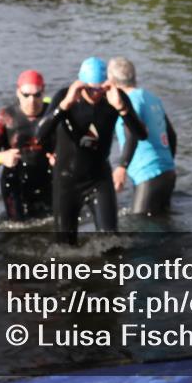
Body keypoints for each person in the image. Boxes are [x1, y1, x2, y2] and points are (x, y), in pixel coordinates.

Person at [37, 57, 147, 244]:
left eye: (100, 88)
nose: (96, 94)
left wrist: (122, 108)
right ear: (80, 84)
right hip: (66, 181)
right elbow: (40, 135)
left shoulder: (115, 97)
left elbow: (141, 134)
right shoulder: (65, 96)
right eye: (89, 89)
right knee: (64, 247)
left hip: (99, 180)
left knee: (111, 242)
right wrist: (64, 106)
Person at [107, 57, 177, 215]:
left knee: (141, 228)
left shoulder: (128, 101)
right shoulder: (151, 97)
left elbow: (133, 132)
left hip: (148, 175)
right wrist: (167, 163)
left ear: (111, 80)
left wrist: (121, 167)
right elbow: (172, 135)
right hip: (168, 173)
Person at [0, 70, 54, 221]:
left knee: (50, 225)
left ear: (44, 91)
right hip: (15, 182)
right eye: (26, 95)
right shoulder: (4, 117)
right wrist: (1, 157)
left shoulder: (54, 114)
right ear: (18, 92)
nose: (32, 100)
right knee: (18, 229)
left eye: (37, 95)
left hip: (48, 180)